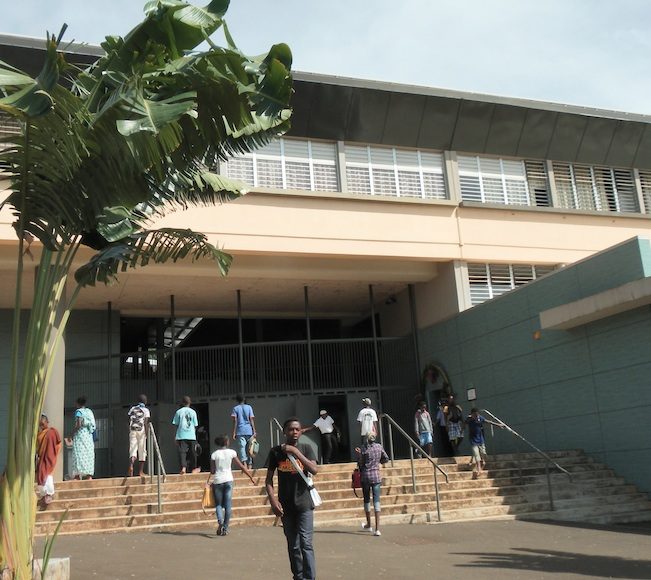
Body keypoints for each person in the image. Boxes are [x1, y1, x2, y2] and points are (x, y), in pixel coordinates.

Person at [265, 417, 319, 580]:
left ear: (301, 431)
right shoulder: (275, 452)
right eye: (291, 429)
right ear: (284, 432)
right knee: (293, 544)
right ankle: (298, 576)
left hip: (304, 503)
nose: (294, 432)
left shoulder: (307, 448)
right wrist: (273, 501)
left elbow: (314, 469)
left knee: (306, 543)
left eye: (297, 429)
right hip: (286, 505)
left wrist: (295, 452)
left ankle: (310, 577)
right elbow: (268, 480)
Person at [210, 434, 255, 536]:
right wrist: (250, 477)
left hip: (218, 480)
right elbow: (241, 466)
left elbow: (212, 471)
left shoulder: (214, 454)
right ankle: (225, 528)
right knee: (228, 505)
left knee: (218, 504)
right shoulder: (232, 452)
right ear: (226, 442)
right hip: (228, 479)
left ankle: (220, 521)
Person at [355, 434, 389, 537]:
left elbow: (361, 463)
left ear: (367, 439)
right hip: (376, 476)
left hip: (365, 477)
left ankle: (369, 524)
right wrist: (378, 462)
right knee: (376, 501)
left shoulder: (364, 448)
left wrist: (359, 455)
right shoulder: (379, 447)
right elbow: (386, 458)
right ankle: (377, 529)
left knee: (367, 500)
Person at [464, 408, 502, 478]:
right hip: (473, 439)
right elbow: (464, 423)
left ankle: (482, 462)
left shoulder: (480, 418)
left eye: (477, 415)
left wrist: (498, 425)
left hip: (480, 439)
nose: (476, 417)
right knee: (476, 454)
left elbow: (488, 422)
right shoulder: (469, 419)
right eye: (474, 415)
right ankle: (479, 468)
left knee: (483, 453)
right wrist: (463, 426)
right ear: (472, 414)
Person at [35, 414, 62, 509]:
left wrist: (55, 454)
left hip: (50, 457)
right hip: (42, 458)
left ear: (47, 422)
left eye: (43, 424)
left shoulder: (52, 432)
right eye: (40, 425)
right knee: (41, 475)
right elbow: (38, 447)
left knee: (48, 475)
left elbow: (58, 443)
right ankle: (43, 494)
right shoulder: (39, 434)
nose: (42, 426)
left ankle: (49, 494)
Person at [172, 395, 200, 474]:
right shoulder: (193, 412)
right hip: (191, 435)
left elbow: (175, 425)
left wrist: (175, 436)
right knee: (193, 452)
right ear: (190, 402)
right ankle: (194, 468)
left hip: (181, 435)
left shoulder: (178, 412)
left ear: (182, 403)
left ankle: (183, 468)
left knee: (182, 452)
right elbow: (195, 425)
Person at [69, 396, 96, 480]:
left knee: (78, 455)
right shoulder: (89, 411)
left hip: (80, 436)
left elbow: (79, 424)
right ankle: (89, 476)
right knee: (88, 454)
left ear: (77, 404)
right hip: (88, 436)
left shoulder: (78, 412)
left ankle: (77, 476)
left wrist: (71, 434)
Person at [231, 394, 256, 469]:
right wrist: (254, 430)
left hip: (240, 430)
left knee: (242, 447)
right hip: (249, 430)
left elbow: (235, 421)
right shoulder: (249, 407)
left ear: (237, 400)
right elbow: (251, 419)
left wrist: (234, 432)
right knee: (250, 448)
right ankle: (250, 464)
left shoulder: (235, 408)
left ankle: (244, 463)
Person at [127, 394, 150, 477]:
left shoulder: (132, 409)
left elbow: (128, 419)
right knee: (142, 450)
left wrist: (129, 429)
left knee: (133, 449)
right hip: (141, 431)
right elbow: (145, 423)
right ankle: (141, 472)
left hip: (132, 430)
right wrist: (146, 433)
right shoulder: (146, 410)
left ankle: (131, 465)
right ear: (145, 401)